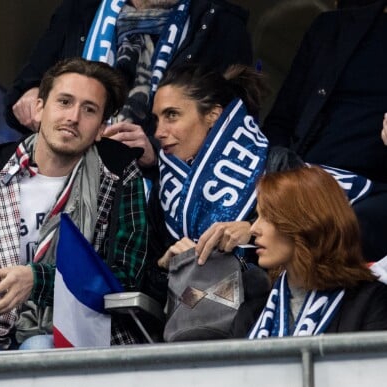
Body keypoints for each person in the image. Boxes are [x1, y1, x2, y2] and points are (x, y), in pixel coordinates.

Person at [0, 57, 149, 353]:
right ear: (40, 108)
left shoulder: (119, 173)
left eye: (89, 110)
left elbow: (124, 278)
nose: (73, 117)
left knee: (38, 347)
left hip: (80, 334)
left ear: (100, 129)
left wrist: (37, 279)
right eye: (65, 102)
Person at [5, 0, 253, 168]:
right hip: (57, 174)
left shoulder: (222, 27)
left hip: (147, 202)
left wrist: (156, 152)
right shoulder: (83, 7)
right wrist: (32, 95)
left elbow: (233, 140)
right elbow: (25, 87)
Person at [143, 62, 297, 306]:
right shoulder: (164, 187)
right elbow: (154, 290)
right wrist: (167, 266)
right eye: (157, 119)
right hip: (195, 328)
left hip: (269, 320)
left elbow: (316, 238)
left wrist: (251, 231)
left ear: (213, 116)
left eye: (172, 115)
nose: (159, 131)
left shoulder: (273, 162)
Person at [261, 0, 387, 261]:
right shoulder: (331, 29)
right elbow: (281, 121)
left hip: (368, 205)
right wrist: (277, 182)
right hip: (298, 183)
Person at [231, 166, 387, 338]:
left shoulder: (372, 302)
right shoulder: (251, 315)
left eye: (267, 217)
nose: (253, 229)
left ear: (306, 222)